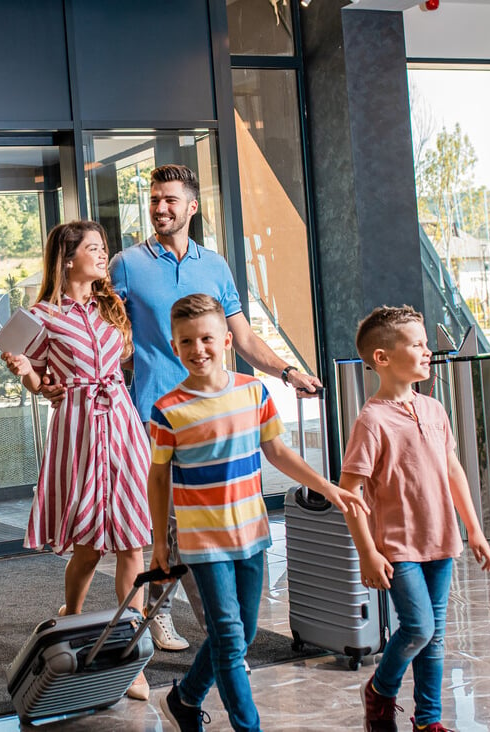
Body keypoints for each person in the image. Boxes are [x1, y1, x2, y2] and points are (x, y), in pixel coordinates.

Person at [111, 163, 324, 651]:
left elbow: (242, 337)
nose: (160, 208)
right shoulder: (126, 264)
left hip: (217, 410)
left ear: (192, 206)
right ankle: (202, 632)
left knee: (205, 520)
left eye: (169, 200)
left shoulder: (216, 266)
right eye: (154, 199)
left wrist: (287, 373)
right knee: (168, 523)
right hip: (155, 412)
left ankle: (204, 627)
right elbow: (113, 335)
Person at [148, 294, 369, 732]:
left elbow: (278, 453)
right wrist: (159, 542)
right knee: (230, 639)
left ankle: (186, 697)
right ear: (174, 348)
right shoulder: (167, 410)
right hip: (201, 542)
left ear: (227, 340)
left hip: (252, 533)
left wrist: (326, 486)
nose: (198, 349)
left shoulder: (253, 392)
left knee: (243, 633)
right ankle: (248, 727)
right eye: (186, 341)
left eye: (207, 338)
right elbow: (158, 479)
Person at [1, 220, 154, 701]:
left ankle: (129, 651)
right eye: (94, 248)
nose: (103, 255)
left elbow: (123, 359)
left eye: (104, 247)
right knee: (89, 543)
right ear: (67, 259)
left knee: (133, 541)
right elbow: (40, 382)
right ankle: (72, 616)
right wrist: (26, 370)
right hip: (79, 427)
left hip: (123, 425)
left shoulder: (112, 307)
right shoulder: (42, 316)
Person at [338, 306, 490, 732]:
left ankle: (428, 722)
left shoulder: (434, 408)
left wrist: (474, 529)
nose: (427, 351)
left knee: (435, 637)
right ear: (383, 358)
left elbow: (453, 469)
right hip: (398, 546)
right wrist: (367, 553)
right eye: (418, 344)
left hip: (441, 540)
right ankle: (381, 690)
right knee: (419, 628)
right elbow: (349, 492)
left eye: (426, 343)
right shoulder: (372, 420)